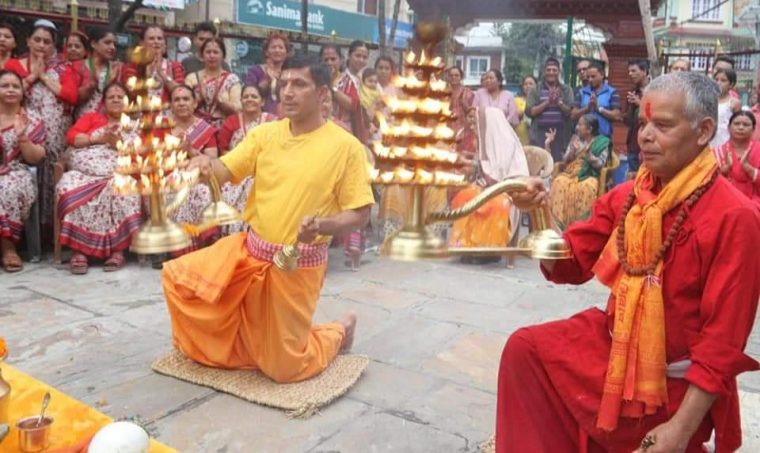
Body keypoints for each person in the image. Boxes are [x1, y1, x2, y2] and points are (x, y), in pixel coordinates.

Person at [496, 72, 760, 452]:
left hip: (670, 380)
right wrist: (539, 214)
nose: (645, 136)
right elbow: (568, 264)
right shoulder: (629, 196)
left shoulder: (736, 217)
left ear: (703, 131)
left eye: (662, 125)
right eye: (643, 123)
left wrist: (679, 430)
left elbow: (722, 344)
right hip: (615, 345)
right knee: (527, 351)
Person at [161, 54, 373, 383]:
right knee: (178, 281)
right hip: (249, 253)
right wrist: (204, 165)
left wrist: (323, 226)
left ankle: (338, 332)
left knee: (286, 369)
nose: (287, 92)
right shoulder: (265, 135)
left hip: (296, 265)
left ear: (322, 95)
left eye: (299, 84)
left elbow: (361, 213)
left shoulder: (347, 148)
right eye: (283, 84)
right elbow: (226, 170)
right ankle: (258, 343)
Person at [58, 83, 141, 274]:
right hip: (85, 172)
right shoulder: (91, 118)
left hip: (119, 171)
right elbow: (73, 138)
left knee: (123, 189)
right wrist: (99, 138)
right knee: (68, 187)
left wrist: (118, 144)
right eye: (111, 96)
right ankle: (78, 250)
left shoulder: (136, 126)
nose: (116, 99)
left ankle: (117, 250)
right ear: (103, 102)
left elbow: (142, 156)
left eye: (120, 96)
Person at [7, 20, 79, 232]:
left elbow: (71, 96)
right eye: (37, 39)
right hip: (23, 130)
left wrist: (43, 77)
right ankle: (26, 229)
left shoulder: (63, 68)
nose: (41, 45)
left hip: (56, 132)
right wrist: (32, 77)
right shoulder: (14, 65)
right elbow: (9, 92)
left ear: (53, 45)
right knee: (29, 173)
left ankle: (50, 230)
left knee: (52, 174)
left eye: (47, 42)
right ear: (28, 41)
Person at [449, 107, 529, 266]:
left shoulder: (505, 142)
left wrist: (470, 163)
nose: (476, 124)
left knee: (494, 204)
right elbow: (485, 167)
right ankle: (467, 246)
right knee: (464, 196)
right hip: (488, 186)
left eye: (479, 121)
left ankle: (489, 249)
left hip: (507, 188)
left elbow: (496, 174)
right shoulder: (485, 139)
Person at [0, 70, 46, 272]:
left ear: (22, 91)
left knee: (5, 188)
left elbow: (36, 158)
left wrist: (22, 136)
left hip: (18, 172)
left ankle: (8, 249)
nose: (10, 90)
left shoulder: (32, 119)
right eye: (4, 86)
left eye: (15, 86)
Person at [217, 84, 277, 232]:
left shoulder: (273, 122)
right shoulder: (231, 122)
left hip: (265, 172)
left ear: (262, 101)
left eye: (254, 96)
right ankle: (232, 234)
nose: (249, 100)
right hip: (235, 171)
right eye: (246, 97)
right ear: (241, 101)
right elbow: (224, 152)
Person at [166, 84, 220, 246]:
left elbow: (211, 161)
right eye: (177, 100)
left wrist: (190, 150)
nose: (181, 103)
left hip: (199, 176)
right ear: (171, 105)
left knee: (199, 189)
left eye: (186, 99)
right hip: (168, 176)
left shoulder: (204, 129)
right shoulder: (162, 127)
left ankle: (204, 241)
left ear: (195, 103)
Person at [547, 114, 610, 230]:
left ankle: (581, 228)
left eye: (580, 125)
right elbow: (565, 161)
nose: (577, 127)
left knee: (588, 186)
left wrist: (590, 156)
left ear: (589, 129)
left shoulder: (602, 142)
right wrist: (572, 152)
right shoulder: (575, 139)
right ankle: (558, 227)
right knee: (559, 182)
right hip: (572, 172)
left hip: (590, 174)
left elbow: (601, 164)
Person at [185, 38, 241, 128]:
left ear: (223, 56)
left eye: (216, 52)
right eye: (208, 52)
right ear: (202, 56)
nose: (212, 56)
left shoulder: (231, 79)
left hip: (224, 130)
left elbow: (238, 110)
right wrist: (200, 98)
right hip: (196, 129)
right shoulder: (192, 78)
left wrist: (221, 102)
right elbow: (184, 107)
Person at [122, 26, 185, 104]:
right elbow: (129, 92)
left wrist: (162, 75)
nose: (156, 42)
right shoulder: (131, 67)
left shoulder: (175, 66)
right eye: (151, 38)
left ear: (164, 43)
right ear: (142, 43)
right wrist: (145, 74)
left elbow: (182, 93)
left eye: (160, 38)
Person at [527, 58, 575, 161]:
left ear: (559, 72)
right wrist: (547, 102)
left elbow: (570, 113)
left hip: (560, 135)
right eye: (548, 70)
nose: (551, 73)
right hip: (539, 133)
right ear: (544, 72)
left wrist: (558, 102)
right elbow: (530, 112)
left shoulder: (566, 90)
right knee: (540, 165)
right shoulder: (535, 89)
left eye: (554, 70)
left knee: (558, 165)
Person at [714, 111, 760, 209]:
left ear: (753, 129)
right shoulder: (717, 152)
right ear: (729, 127)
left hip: (755, 205)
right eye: (736, 124)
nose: (741, 127)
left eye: (746, 124)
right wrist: (724, 169)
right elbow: (707, 184)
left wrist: (749, 168)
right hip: (724, 204)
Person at [74, 27, 123, 119]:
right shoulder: (78, 66)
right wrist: (91, 86)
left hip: (107, 122)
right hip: (82, 123)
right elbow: (73, 99)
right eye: (107, 43)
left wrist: (112, 83)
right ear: (93, 44)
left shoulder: (117, 68)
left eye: (114, 44)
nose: (112, 47)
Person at [571, 62, 621, 138]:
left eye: (593, 76)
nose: (590, 80)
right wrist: (587, 108)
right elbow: (573, 115)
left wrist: (599, 109)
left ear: (602, 75)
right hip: (583, 139)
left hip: (603, 138)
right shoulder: (581, 92)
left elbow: (617, 116)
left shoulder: (612, 92)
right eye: (588, 77)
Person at [334, 40, 370, 145]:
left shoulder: (361, 80)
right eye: (357, 56)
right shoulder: (342, 80)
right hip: (344, 129)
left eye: (364, 57)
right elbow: (343, 108)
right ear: (349, 56)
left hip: (358, 129)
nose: (361, 60)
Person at [244, 33, 288, 115]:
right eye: (273, 47)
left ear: (286, 53)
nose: (277, 50)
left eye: (281, 47)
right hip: (260, 118)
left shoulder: (289, 73)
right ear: (266, 52)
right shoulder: (255, 71)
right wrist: (267, 79)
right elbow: (249, 94)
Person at [625, 59, 650, 175]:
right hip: (633, 143)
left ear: (644, 71)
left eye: (634, 71)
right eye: (629, 71)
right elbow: (627, 120)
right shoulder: (632, 91)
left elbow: (656, 114)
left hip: (650, 141)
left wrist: (640, 103)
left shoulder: (656, 89)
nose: (630, 74)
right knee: (632, 178)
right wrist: (630, 107)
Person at [710, 68, 741, 149]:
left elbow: (738, 124)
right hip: (709, 141)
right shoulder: (709, 100)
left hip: (725, 142)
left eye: (723, 80)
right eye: (716, 79)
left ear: (731, 84)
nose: (718, 83)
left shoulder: (734, 103)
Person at [448, 66, 475, 133]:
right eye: (451, 75)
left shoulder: (468, 92)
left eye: (456, 75)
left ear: (461, 77)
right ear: (448, 77)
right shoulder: (443, 92)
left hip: (463, 128)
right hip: (446, 128)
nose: (453, 77)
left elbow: (472, 113)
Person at [514, 75, 536, 145]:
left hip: (535, 137)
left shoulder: (539, 102)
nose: (528, 86)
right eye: (525, 84)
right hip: (519, 137)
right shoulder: (515, 100)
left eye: (531, 84)